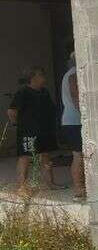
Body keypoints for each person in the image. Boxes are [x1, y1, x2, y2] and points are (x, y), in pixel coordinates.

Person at [7, 68, 58, 196]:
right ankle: (21, 187)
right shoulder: (23, 92)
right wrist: (16, 124)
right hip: (28, 132)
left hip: (45, 131)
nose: (44, 77)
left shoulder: (44, 92)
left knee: (46, 156)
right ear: (33, 78)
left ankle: (50, 183)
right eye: (41, 75)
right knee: (26, 157)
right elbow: (12, 111)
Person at [61, 54, 85, 200]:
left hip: (71, 121)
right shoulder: (73, 74)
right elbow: (76, 98)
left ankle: (81, 188)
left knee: (80, 155)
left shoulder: (68, 73)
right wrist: (86, 115)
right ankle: (79, 190)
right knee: (79, 156)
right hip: (75, 121)